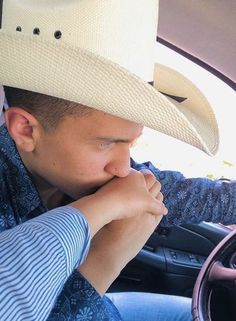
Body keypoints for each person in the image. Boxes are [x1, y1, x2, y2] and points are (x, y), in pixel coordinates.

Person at [0, 1, 235, 321]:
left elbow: (176, 193)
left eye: (130, 143)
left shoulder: (77, 168)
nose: (125, 168)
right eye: (106, 143)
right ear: (25, 130)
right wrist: (107, 257)